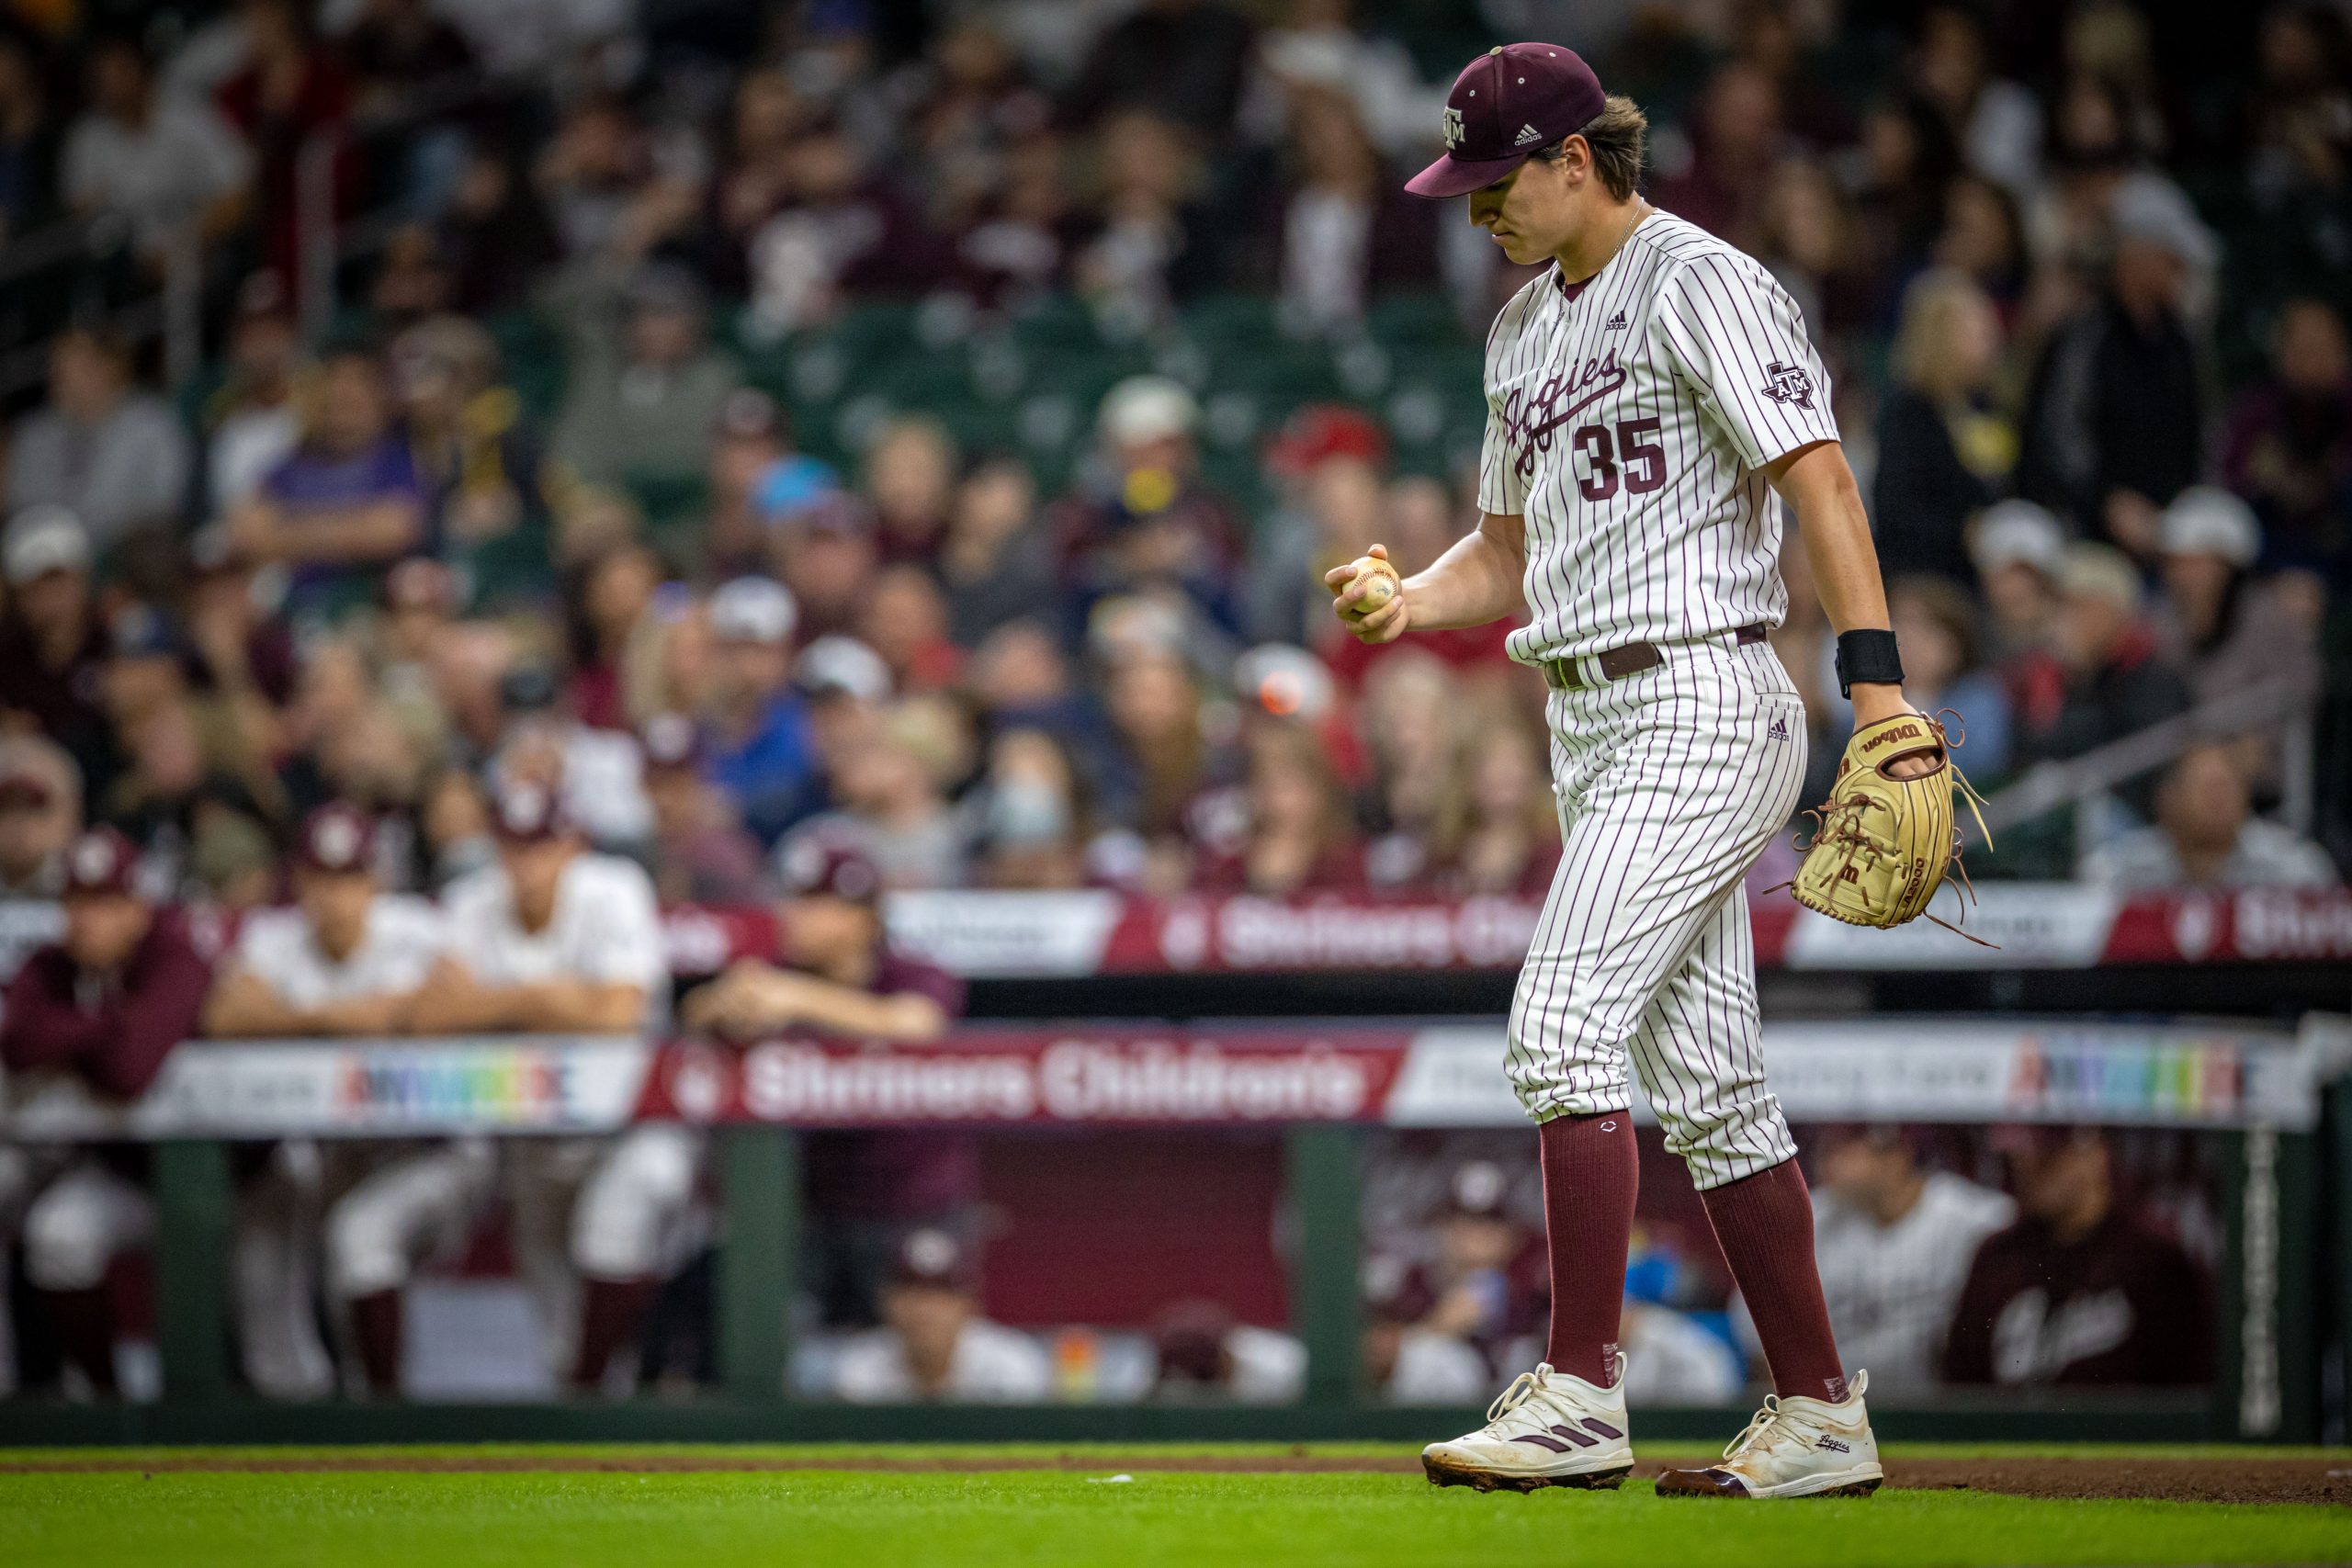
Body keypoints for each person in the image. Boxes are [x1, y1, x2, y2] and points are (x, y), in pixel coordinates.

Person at [1345, 42, 1936, 1500]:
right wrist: (1411, 598)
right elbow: (1505, 549)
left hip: (1703, 685)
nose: (1480, 208)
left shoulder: (1704, 279)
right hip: (1592, 719)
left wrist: (1876, 684)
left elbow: (1818, 474)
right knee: (1714, 1088)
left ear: (1573, 157)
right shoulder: (1518, 334)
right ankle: (1818, 1413)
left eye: (1499, 181)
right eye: (1465, 186)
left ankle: (1581, 1392)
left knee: (1558, 1026)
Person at [405, 783, 675, 1393]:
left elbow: (619, 1011)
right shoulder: (471, 901)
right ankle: (581, 1433)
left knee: (614, 1231)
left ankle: (615, 1406)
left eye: (543, 845)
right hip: (531, 1128)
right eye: (514, 845)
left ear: (572, 844)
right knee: (552, 1300)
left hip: (630, 1120)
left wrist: (501, 1002)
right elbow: (428, 1018)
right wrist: (553, 997)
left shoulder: (614, 889)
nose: (527, 862)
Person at [203, 804, 451, 1399]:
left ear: (375, 880)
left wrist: (295, 1019)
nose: (336, 895)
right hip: (325, 1147)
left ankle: (381, 1418)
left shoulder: (416, 927)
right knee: (268, 1225)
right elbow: (225, 1014)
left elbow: (446, 1005)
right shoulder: (274, 934)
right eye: (322, 877)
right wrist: (339, 1017)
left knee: (360, 1236)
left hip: (424, 1145)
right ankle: (293, 1402)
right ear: (301, 880)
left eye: (350, 877)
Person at [684, 830, 968, 1330]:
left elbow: (916, 1024)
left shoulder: (910, 971)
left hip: (909, 1201)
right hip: (809, 1207)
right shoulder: (774, 974)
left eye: (816, 903)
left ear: (862, 916)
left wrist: (796, 998)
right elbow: (695, 1014)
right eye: (794, 900)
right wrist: (725, 1007)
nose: (794, 915)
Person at [0, 828, 211, 1396]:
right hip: (115, 1167)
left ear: (139, 908)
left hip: (214, 1180)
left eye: (107, 903)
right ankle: (105, 1398)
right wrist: (110, 1022)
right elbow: (17, 1042)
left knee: (270, 1329)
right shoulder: (51, 963)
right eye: (77, 901)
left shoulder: (175, 955)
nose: (88, 919)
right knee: (58, 1237)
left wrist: (71, 1041)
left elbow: (129, 1072)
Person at [1943, 1128, 2215, 1386]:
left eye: (2048, 1155)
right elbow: (1962, 1385)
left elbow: (2190, 1391)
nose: (2027, 1165)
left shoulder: (2153, 1261)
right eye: (2022, 1153)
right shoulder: (1997, 1257)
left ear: (2096, 1154)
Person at [1791, 1126, 2015, 1395]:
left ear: (1896, 1157)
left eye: (1845, 1149)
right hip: (1838, 1413)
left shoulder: (1977, 1218)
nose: (1828, 1161)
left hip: (1939, 1405)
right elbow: (1760, 1347)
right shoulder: (1810, 1220)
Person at [4, 328, 192, 561]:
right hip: (50, 559)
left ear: (107, 368)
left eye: (74, 367)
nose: (60, 378)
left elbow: (162, 505)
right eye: (57, 369)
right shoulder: (35, 435)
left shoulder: (152, 423)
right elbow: (24, 507)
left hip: (123, 556)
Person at [825, 1229, 1050, 1404]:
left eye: (942, 1293)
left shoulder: (1011, 1364)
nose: (925, 1309)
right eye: (913, 1291)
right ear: (887, 1301)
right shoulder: (859, 1368)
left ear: (968, 1303)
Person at [2082, 744, 2339, 891]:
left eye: (2228, 786)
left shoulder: (2292, 866)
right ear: (2169, 800)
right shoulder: (2126, 867)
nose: (2219, 800)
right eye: (2207, 789)